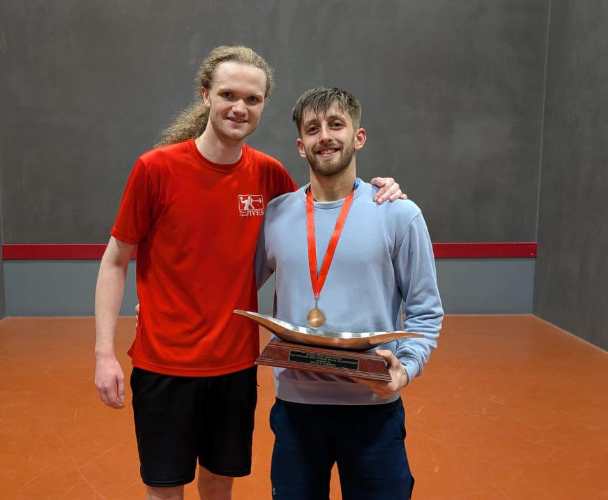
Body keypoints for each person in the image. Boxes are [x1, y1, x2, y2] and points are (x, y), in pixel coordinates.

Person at [93, 46, 405, 500]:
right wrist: (104, 354)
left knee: (219, 487)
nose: (239, 107)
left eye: (252, 99)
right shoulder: (155, 169)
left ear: (262, 105)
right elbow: (115, 260)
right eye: (228, 95)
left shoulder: (268, 175)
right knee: (164, 490)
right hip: (164, 364)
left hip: (235, 367)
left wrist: (380, 189)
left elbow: (319, 214)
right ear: (206, 95)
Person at [255, 86, 444, 499]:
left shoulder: (398, 213)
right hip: (296, 411)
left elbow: (426, 311)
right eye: (313, 128)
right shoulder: (276, 215)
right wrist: (162, 299)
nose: (325, 136)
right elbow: (230, 285)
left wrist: (404, 370)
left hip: (373, 410)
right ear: (301, 146)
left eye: (336, 124)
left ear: (358, 137)